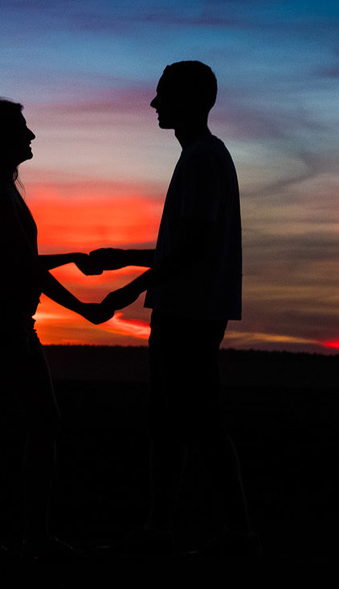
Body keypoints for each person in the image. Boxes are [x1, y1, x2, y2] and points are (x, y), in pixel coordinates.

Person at [89, 61, 258, 557]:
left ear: (191, 100)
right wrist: (123, 258)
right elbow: (183, 242)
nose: (154, 103)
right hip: (186, 309)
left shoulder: (203, 159)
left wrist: (125, 293)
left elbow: (192, 249)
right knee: (169, 422)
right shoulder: (202, 158)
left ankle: (238, 534)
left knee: (198, 423)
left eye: (163, 94)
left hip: (191, 312)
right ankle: (160, 529)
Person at [0, 97, 110, 560]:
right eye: (23, 128)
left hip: (12, 320)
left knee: (5, 423)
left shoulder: (0, 190)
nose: (32, 135)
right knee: (28, 421)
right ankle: (11, 538)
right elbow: (25, 267)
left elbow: (22, 264)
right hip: (4, 321)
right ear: (1, 139)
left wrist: (70, 268)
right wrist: (82, 302)